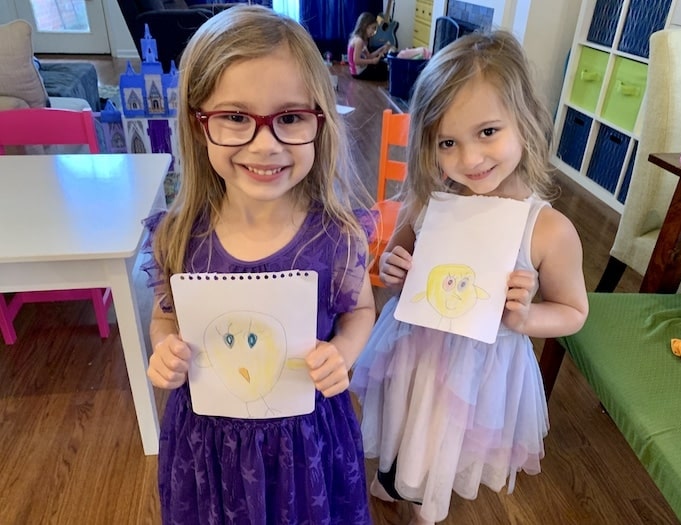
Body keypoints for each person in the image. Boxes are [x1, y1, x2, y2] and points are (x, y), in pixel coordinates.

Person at [142, 5, 377, 524]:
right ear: (198, 123)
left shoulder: (335, 235)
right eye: (235, 117)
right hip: (209, 446)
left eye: (290, 117)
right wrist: (164, 349)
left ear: (320, 120)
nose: (265, 144)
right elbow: (166, 316)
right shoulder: (179, 237)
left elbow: (361, 311)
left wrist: (343, 352)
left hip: (308, 439)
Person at [350, 31, 589, 525]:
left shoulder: (548, 229)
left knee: (441, 441)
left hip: (480, 368)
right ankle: (395, 481)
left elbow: (573, 312)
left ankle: (426, 509)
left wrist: (525, 316)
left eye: (487, 133)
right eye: (447, 143)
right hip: (413, 349)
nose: (469, 160)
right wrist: (393, 272)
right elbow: (392, 276)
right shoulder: (427, 202)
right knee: (403, 422)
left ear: (525, 122)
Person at [348, 11, 392, 81]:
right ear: (366, 27)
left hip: (363, 69)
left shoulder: (363, 40)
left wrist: (381, 49)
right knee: (385, 74)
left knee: (383, 66)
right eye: (373, 28)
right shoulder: (358, 41)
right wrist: (372, 61)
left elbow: (369, 56)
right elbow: (356, 61)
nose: (374, 31)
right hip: (358, 73)